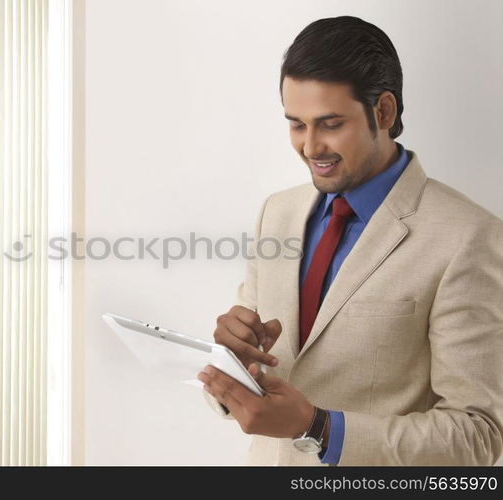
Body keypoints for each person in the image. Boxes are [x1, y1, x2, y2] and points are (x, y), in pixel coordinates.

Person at [197, 15, 503, 466]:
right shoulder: (276, 214)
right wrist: (234, 362)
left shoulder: (467, 236)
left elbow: (478, 434)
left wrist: (318, 428)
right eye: (297, 125)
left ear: (384, 111)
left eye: (330, 123)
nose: (310, 147)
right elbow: (262, 385)